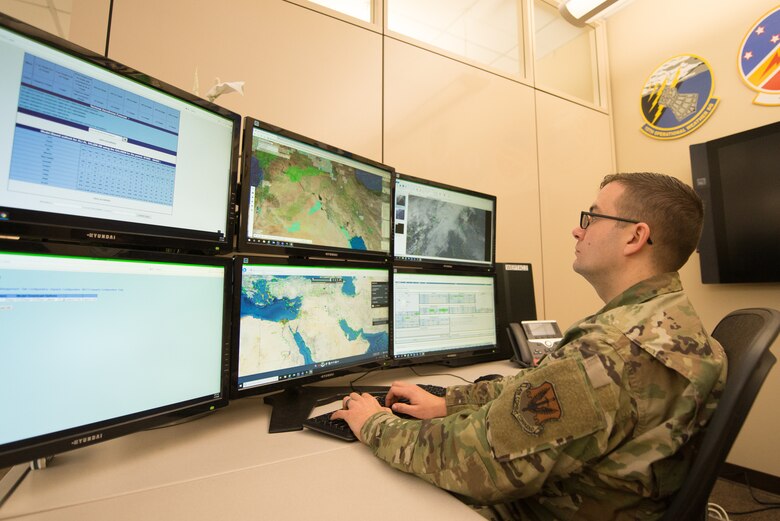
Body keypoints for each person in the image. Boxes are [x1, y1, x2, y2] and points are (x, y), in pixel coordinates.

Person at [331, 172, 727, 520]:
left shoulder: (608, 351)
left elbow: (476, 462)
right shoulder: (675, 322)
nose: (578, 230)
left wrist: (375, 424)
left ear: (635, 236)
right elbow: (536, 387)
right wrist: (448, 402)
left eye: (591, 217)